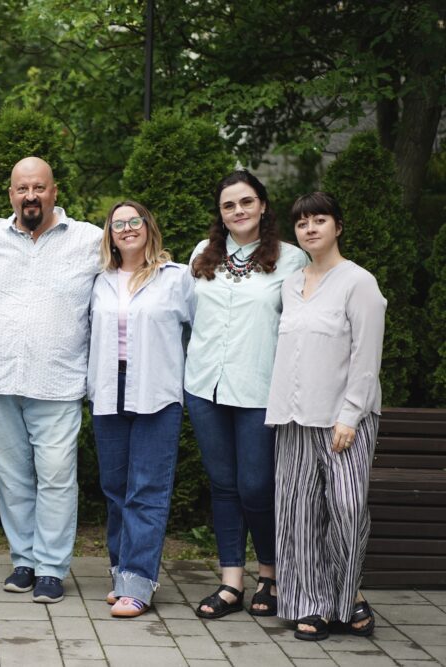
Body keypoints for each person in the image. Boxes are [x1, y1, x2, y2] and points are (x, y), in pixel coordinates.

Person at [0, 156, 103, 604]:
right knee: (13, 478)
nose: (31, 196)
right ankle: (24, 561)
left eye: (39, 187)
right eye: (22, 188)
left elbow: (133, 268)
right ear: (11, 194)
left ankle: (52, 568)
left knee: (57, 477)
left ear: (54, 191)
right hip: (0, 381)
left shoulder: (89, 240)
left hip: (59, 383)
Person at [185, 170, 308, 619]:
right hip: (204, 387)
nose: (238, 211)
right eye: (229, 205)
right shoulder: (202, 253)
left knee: (256, 486)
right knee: (222, 485)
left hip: (259, 389)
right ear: (220, 214)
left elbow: (301, 326)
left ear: (263, 205)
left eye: (246, 202)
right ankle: (231, 582)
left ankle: (270, 575)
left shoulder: (291, 259)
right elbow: (188, 316)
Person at [266, 192, 386, 641]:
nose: (310, 228)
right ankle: (313, 605)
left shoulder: (359, 282)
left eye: (319, 220)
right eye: (302, 223)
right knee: (299, 515)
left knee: (348, 509)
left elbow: (366, 355)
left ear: (338, 226)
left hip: (343, 420)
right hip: (293, 418)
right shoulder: (290, 284)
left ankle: (347, 596)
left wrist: (350, 415)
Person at [87, 201, 195, 618]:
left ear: (149, 227)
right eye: (119, 224)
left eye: (135, 221)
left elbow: (199, 335)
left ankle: (138, 583)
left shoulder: (176, 278)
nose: (127, 228)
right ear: (110, 235)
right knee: (115, 490)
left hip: (156, 393)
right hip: (108, 392)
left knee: (146, 491)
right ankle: (121, 574)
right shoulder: (99, 281)